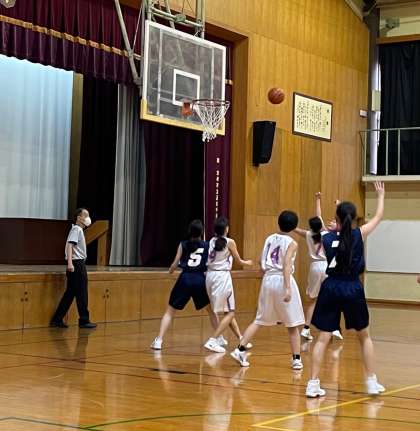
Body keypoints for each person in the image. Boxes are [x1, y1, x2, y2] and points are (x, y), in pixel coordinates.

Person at [306, 182, 386, 397]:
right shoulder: (359, 234)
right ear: (353, 218)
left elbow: (318, 224)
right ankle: (371, 381)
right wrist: (380, 195)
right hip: (352, 287)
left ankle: (312, 384)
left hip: (330, 287)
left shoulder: (325, 237)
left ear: (337, 219)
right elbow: (378, 217)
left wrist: (327, 217)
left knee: (323, 337)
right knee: (364, 337)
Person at [230, 211, 305, 370]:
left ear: (279, 222)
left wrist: (264, 274)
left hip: (268, 279)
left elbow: (260, 261)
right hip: (282, 279)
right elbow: (286, 266)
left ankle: (240, 349)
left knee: (259, 319)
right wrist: (288, 288)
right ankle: (296, 359)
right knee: (292, 323)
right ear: (294, 226)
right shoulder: (292, 243)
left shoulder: (269, 238)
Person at [150, 220, 218, 350]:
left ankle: (159, 340)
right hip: (200, 280)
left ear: (189, 231)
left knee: (170, 311)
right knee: (211, 311)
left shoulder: (183, 244)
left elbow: (175, 264)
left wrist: (170, 271)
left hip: (185, 279)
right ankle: (218, 337)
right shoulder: (207, 245)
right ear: (201, 232)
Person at [295, 192, 343, 341]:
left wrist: (290, 225)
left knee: (313, 300)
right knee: (333, 299)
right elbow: (323, 217)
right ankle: (334, 328)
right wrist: (338, 206)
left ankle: (306, 329)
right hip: (327, 267)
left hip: (314, 267)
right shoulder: (328, 235)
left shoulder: (309, 234)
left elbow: (299, 228)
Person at [204, 217, 253, 353]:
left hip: (210, 276)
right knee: (230, 312)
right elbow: (239, 261)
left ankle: (241, 338)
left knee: (228, 311)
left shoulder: (211, 241)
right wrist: (248, 263)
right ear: (226, 229)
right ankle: (213, 340)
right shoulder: (230, 242)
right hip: (222, 278)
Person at [50, 208, 97, 329]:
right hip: (77, 265)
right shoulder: (77, 229)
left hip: (77, 264)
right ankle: (84, 320)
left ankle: (57, 319)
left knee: (70, 293)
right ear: (79, 218)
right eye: (85, 215)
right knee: (82, 293)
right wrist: (70, 263)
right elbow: (70, 246)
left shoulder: (77, 230)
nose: (88, 218)